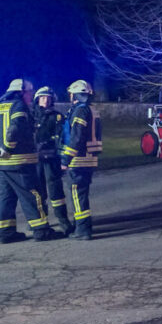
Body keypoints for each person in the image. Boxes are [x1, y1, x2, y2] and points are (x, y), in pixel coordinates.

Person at [0, 79, 61, 244]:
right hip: (18, 162)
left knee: (5, 198)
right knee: (32, 194)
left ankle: (6, 232)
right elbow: (15, 128)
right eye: (30, 92)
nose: (31, 96)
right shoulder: (19, 106)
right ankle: (41, 230)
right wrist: (7, 149)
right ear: (21, 92)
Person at [60, 80, 102, 240]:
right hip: (89, 158)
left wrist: (66, 159)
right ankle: (84, 227)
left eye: (71, 93)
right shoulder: (91, 109)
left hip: (79, 159)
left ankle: (83, 230)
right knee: (81, 195)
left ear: (75, 94)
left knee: (78, 196)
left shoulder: (80, 111)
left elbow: (76, 137)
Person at [33, 86, 73, 235]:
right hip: (35, 161)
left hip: (51, 160)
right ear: (37, 99)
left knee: (56, 191)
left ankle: (63, 221)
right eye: (43, 97)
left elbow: (63, 138)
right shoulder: (30, 116)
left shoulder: (58, 117)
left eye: (48, 98)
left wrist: (63, 158)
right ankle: (39, 223)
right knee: (38, 192)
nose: (46, 100)